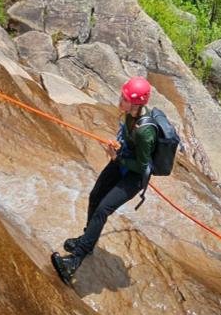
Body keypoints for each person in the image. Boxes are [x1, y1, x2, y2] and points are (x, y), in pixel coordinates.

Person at [51, 76, 157, 284]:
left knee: (103, 209)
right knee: (95, 196)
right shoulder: (129, 115)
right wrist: (118, 146)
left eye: (125, 98)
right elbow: (127, 138)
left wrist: (118, 158)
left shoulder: (146, 132)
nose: (120, 100)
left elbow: (144, 167)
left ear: (136, 104)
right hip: (122, 161)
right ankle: (87, 241)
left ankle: (75, 261)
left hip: (134, 176)